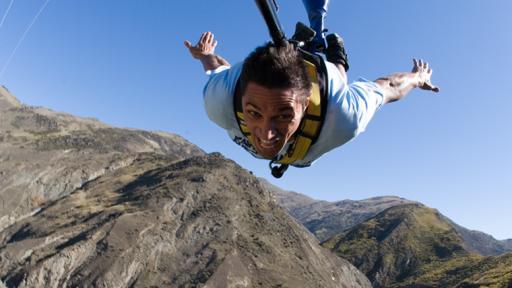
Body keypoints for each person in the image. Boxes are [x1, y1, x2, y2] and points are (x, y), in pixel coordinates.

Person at [184, 31, 439, 177]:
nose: (266, 133)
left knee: (338, 73)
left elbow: (389, 87)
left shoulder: (342, 117)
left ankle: (337, 53)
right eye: (254, 112)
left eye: (284, 115)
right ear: (241, 100)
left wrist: (417, 77)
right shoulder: (219, 102)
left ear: (306, 105)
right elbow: (217, 67)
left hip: (326, 85)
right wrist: (205, 55)